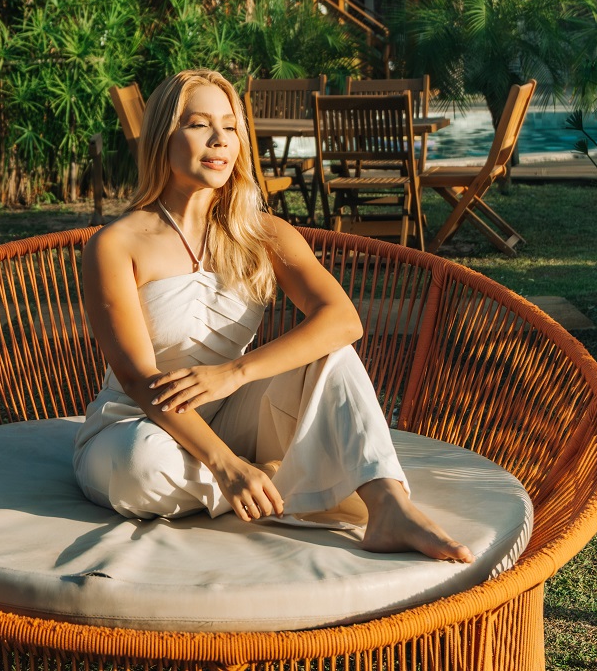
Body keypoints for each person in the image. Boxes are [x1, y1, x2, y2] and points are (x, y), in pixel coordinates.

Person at [73, 69, 473, 562]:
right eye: (199, 125)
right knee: (138, 467)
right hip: (139, 423)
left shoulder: (262, 233)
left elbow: (343, 319)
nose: (220, 140)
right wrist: (225, 463)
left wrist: (235, 373)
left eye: (230, 126)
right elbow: (138, 379)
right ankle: (279, 476)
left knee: (332, 352)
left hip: (233, 410)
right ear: (163, 137)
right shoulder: (115, 244)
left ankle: (388, 505)